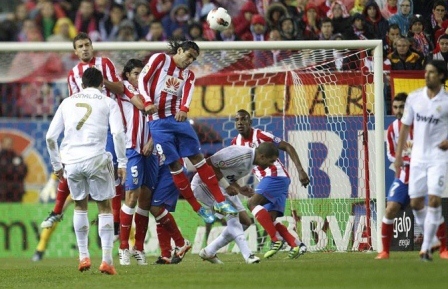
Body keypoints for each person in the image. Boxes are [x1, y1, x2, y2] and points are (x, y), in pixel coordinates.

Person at [138, 39, 237, 217]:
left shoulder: (188, 75)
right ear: (180, 50)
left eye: (194, 59)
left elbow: (188, 91)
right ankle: (198, 209)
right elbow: (142, 79)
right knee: (175, 166)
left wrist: (184, 108)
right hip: (158, 123)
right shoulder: (160, 59)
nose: (190, 60)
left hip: (177, 120)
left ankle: (220, 202)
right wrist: (146, 101)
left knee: (198, 159)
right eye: (189, 55)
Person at [40, 32, 123, 239]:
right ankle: (58, 211)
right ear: (75, 51)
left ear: (92, 46)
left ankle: (114, 221)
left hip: (106, 126)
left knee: (113, 173)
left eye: (87, 44)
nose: (85, 48)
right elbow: (72, 102)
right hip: (84, 128)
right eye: (80, 46)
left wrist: (101, 83)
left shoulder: (105, 63)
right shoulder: (73, 73)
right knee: (72, 167)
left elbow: (120, 88)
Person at [46, 67, 126, 274]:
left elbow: (50, 138)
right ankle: (107, 260)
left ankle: (83, 257)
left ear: (82, 84)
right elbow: (117, 134)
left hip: (71, 161)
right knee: (105, 207)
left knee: (80, 206)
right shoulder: (109, 102)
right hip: (96, 158)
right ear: (102, 84)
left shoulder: (67, 102)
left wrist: (57, 166)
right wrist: (123, 163)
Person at [232, 109, 310, 259]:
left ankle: (276, 240)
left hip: (276, 176)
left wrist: (300, 170)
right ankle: (297, 245)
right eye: (237, 120)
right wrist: (237, 186)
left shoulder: (261, 135)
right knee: (269, 218)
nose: (240, 123)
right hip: (270, 180)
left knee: (252, 204)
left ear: (250, 122)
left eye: (243, 119)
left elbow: (287, 146)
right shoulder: (236, 143)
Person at [394, 59, 448, 261]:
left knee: (434, 200)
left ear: (441, 76)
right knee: (416, 203)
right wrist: (399, 157)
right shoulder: (415, 98)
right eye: (426, 72)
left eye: (431, 72)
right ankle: (432, 240)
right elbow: (404, 128)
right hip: (417, 157)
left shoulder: (446, 102)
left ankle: (426, 247)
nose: (426, 75)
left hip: (438, 158)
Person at [193, 143, 282, 264]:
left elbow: (227, 175)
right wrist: (227, 186)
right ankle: (248, 255)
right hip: (204, 185)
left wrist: (239, 188)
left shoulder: (250, 162)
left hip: (222, 188)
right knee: (232, 215)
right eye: (271, 161)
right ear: (262, 156)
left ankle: (209, 251)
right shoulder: (240, 155)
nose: (270, 165)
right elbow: (207, 164)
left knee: (245, 222)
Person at [0, 136, 28, 202]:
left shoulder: (17, 156)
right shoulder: (1, 157)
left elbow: (24, 170)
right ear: (2, 144)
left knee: (17, 210)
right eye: (6, 144)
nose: (8, 146)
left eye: (10, 144)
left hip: (16, 191)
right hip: (2, 191)